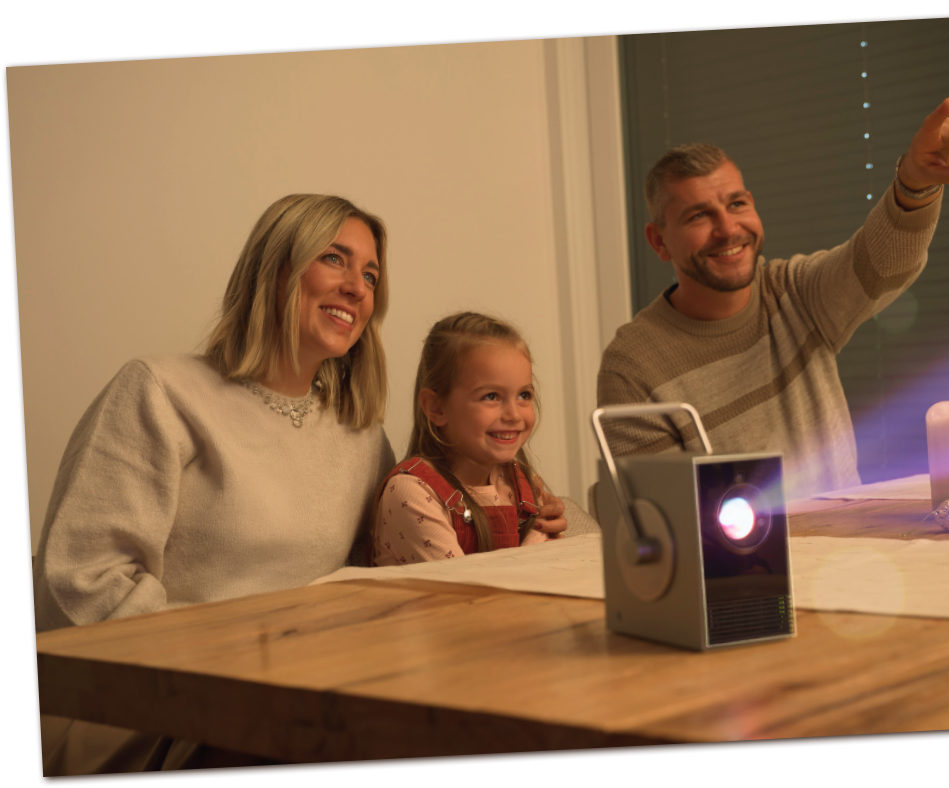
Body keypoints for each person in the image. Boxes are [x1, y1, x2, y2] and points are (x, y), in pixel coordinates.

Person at [34, 194, 397, 775]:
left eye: (371, 274)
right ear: (275, 268)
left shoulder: (363, 437)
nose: (358, 286)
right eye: (335, 259)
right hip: (148, 704)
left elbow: (380, 580)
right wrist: (236, 668)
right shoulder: (159, 389)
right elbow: (81, 579)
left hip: (309, 701)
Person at [596, 98, 949, 501]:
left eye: (737, 204)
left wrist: (917, 180)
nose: (727, 228)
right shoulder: (633, 368)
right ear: (658, 241)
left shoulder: (794, 293)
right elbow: (666, 525)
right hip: (743, 565)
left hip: (849, 551)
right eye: (698, 216)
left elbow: (884, 263)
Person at [372, 312, 567, 565]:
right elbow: (468, 594)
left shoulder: (521, 483)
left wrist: (554, 539)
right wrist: (537, 543)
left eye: (524, 395)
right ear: (436, 408)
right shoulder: (411, 493)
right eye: (491, 396)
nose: (514, 414)